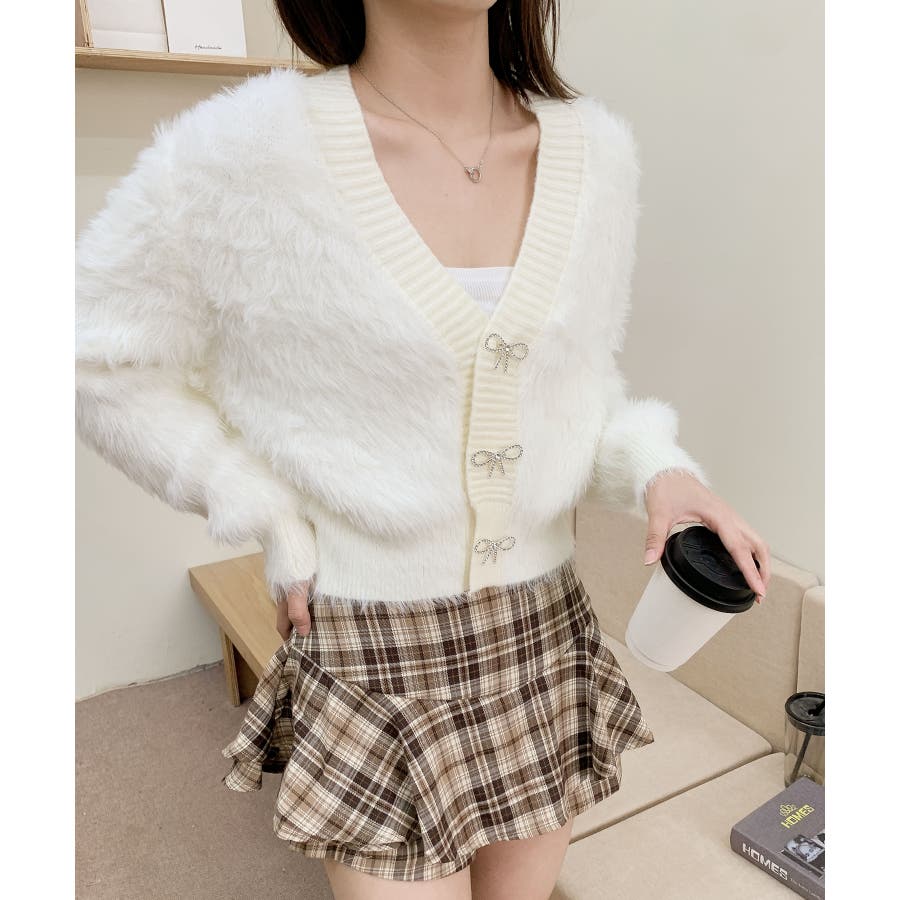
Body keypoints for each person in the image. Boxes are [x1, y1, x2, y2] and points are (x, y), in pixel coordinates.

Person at [75, 2, 771, 898]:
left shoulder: (598, 155)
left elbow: (575, 392)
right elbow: (92, 358)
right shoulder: (231, 157)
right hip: (372, 644)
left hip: (543, 635)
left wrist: (656, 468)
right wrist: (259, 506)